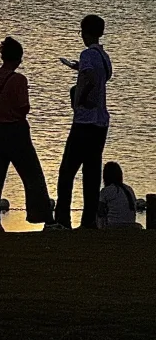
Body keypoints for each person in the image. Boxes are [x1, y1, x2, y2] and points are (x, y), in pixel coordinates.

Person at [0, 36, 57, 231]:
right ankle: (46, 219)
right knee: (33, 176)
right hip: (17, 131)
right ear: (19, 58)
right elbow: (24, 108)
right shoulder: (20, 80)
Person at [54, 15, 113, 229]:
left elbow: (89, 76)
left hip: (84, 122)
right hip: (100, 123)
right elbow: (99, 76)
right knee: (91, 172)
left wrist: (80, 98)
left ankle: (63, 218)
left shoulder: (87, 54)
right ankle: (89, 220)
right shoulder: (104, 56)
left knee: (67, 171)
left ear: (86, 32)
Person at [98, 161, 140, 230]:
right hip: (131, 224)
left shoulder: (105, 191)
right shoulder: (129, 189)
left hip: (113, 225)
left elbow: (100, 211)